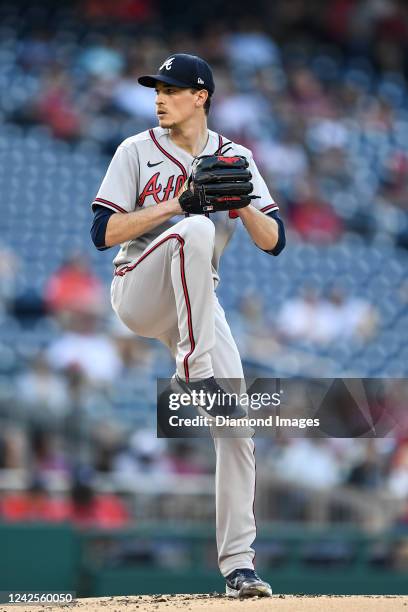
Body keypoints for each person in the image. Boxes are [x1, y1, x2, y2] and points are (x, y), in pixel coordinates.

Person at [90, 53, 286, 598]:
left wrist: (243, 204)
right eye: (156, 88)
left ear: (200, 96)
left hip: (199, 303)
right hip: (139, 286)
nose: (158, 96)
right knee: (196, 230)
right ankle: (193, 370)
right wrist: (180, 202)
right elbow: (102, 232)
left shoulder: (235, 155)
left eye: (171, 89)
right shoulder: (135, 149)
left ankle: (239, 567)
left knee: (238, 428)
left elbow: (274, 241)